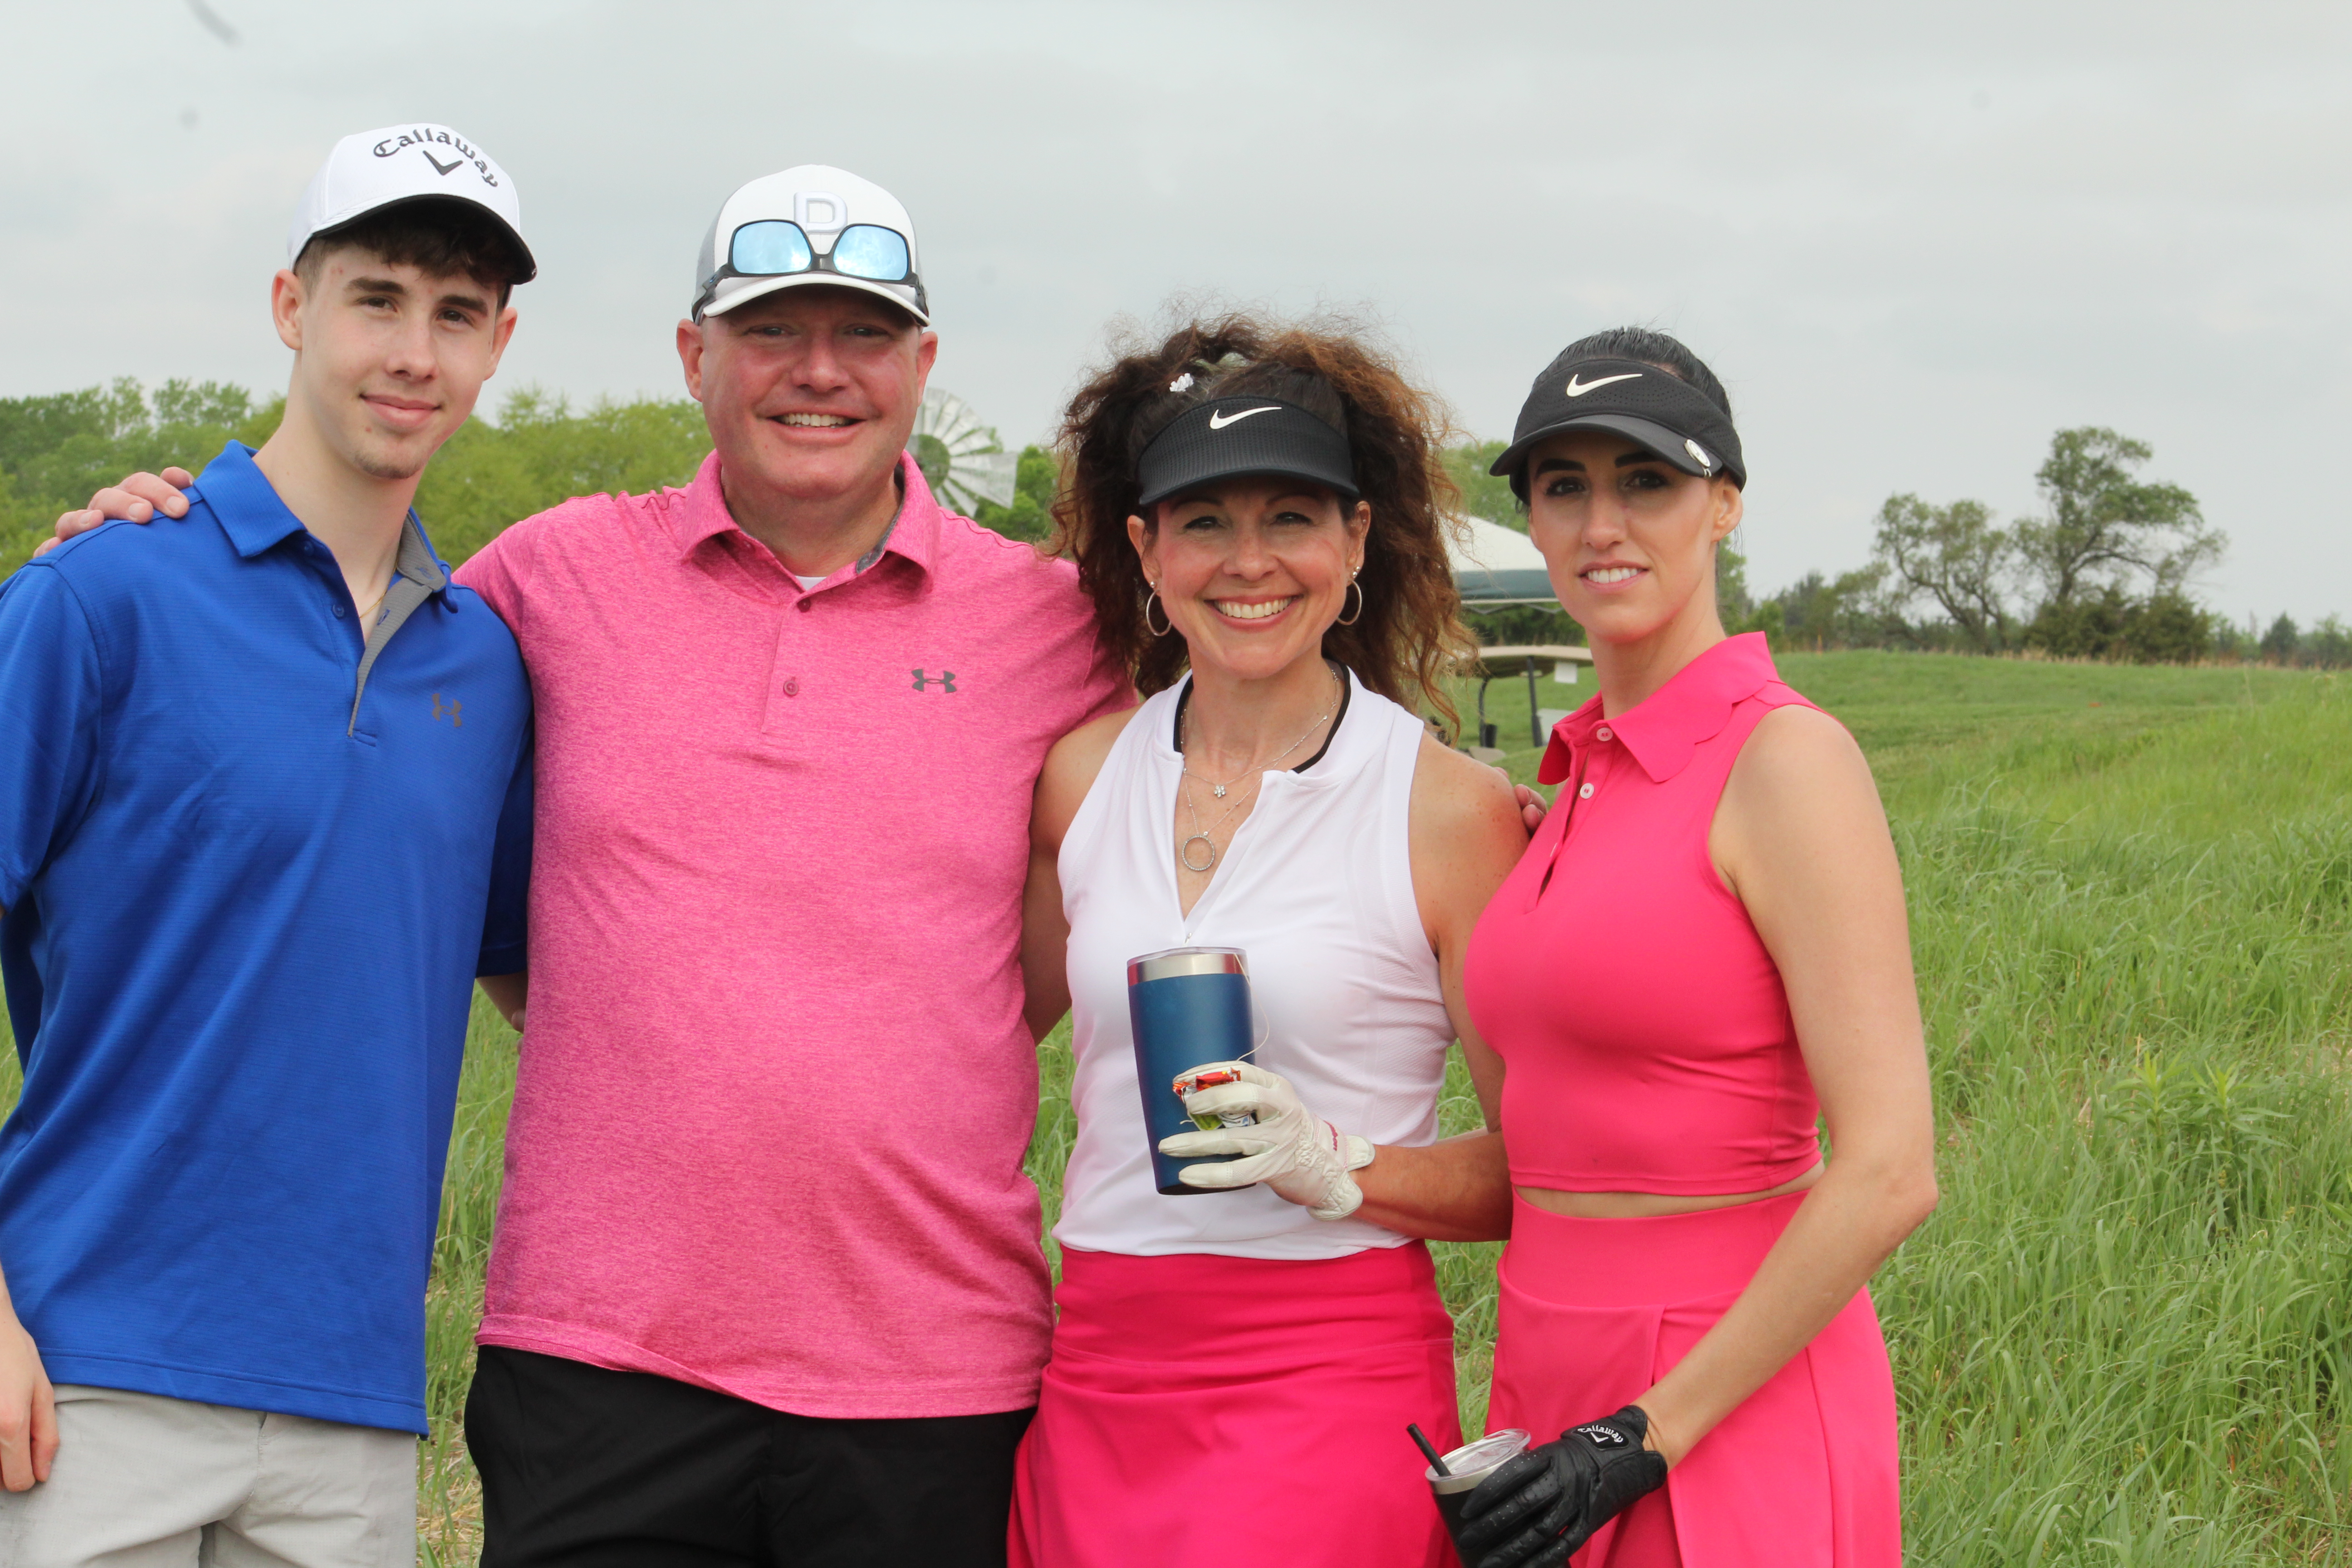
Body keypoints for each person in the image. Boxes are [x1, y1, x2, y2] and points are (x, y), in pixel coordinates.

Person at [0, 125, 535, 1565]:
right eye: (377, 298)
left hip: (354, 1408)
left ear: (497, 349)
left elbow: (538, 984)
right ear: (293, 307)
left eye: (457, 314)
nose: (414, 351)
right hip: (81, 1373)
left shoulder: (487, 669)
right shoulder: (99, 596)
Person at [1009, 318, 1529, 1566]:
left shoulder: (1447, 810)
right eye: (1205, 522)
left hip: (1325, 1372)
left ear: (1357, 540)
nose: (1252, 563)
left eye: (1292, 517)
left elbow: (1542, 1173)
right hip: (1097, 1373)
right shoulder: (1082, 775)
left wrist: (1342, 1162)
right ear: (1146, 549)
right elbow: (971, 1037)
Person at [1444, 328, 1939, 1567]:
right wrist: (1335, 1164)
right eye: (1565, 488)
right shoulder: (1567, 794)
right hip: (1550, 1376)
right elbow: (1544, 1147)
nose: (1603, 523)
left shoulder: (1787, 761)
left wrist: (1648, 1435)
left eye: (1646, 482)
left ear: (1722, 505)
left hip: (1715, 1395)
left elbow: (1890, 1168)